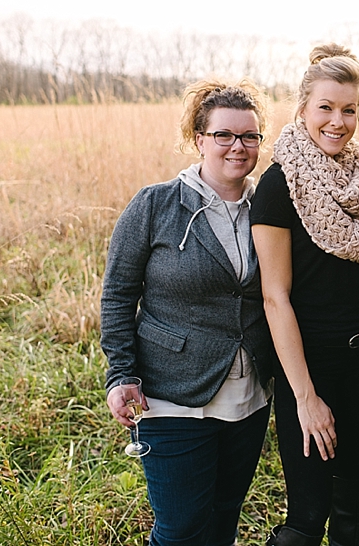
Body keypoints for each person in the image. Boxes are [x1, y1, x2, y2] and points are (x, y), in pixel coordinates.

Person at [101, 79, 275, 546]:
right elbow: (118, 295)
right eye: (224, 135)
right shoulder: (155, 204)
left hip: (248, 397)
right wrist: (121, 374)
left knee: (223, 518)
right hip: (171, 395)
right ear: (199, 139)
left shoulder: (268, 208)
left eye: (250, 136)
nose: (238, 146)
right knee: (180, 530)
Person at [250, 44, 359, 546]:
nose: (338, 121)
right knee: (307, 517)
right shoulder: (278, 186)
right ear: (303, 108)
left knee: (351, 488)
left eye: (349, 110)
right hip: (310, 368)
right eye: (326, 108)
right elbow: (275, 298)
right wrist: (306, 398)